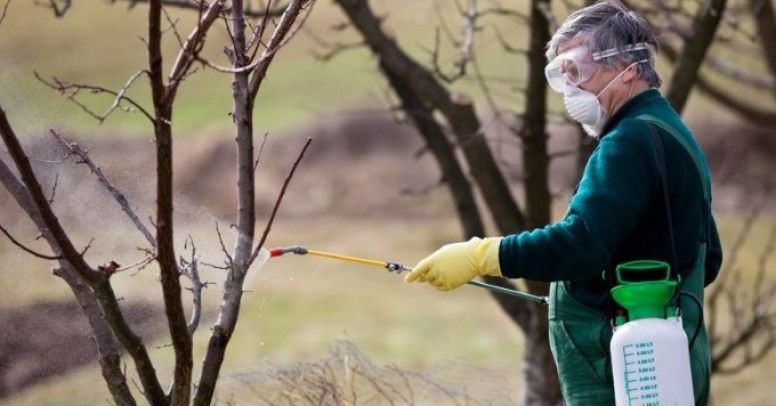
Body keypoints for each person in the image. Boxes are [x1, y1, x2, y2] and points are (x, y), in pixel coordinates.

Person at [404, 1, 722, 404]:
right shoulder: (669, 132)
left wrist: (484, 254)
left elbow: (581, 245)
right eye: (562, 75)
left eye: (577, 70)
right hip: (669, 362)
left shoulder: (628, 143)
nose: (570, 87)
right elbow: (707, 258)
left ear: (627, 66)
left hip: (629, 375)